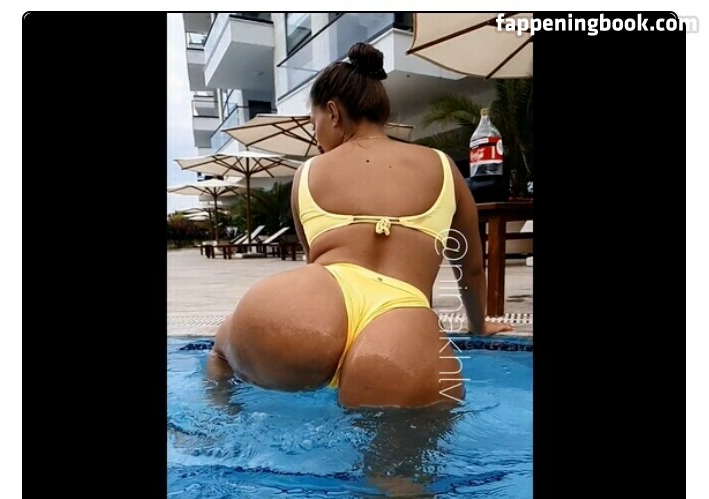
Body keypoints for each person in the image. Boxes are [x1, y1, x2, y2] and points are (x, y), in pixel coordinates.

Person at [208, 42, 512, 408]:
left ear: (333, 112)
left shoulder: (308, 174)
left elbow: (316, 264)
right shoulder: (444, 167)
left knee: (221, 352)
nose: (316, 137)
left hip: (302, 317)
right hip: (402, 336)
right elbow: (472, 268)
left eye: (314, 124)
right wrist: (479, 325)